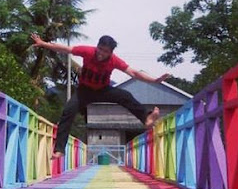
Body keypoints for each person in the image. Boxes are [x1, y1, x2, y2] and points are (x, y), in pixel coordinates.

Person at [31, 33, 171, 160]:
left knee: (125, 95)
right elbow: (65, 49)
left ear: (111, 53)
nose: (101, 54)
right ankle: (59, 150)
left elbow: (133, 73)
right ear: (97, 46)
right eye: (100, 49)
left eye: (106, 52)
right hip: (84, 91)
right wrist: (43, 43)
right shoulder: (87, 51)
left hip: (103, 90)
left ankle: (146, 118)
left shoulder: (114, 61)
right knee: (68, 111)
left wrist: (155, 80)